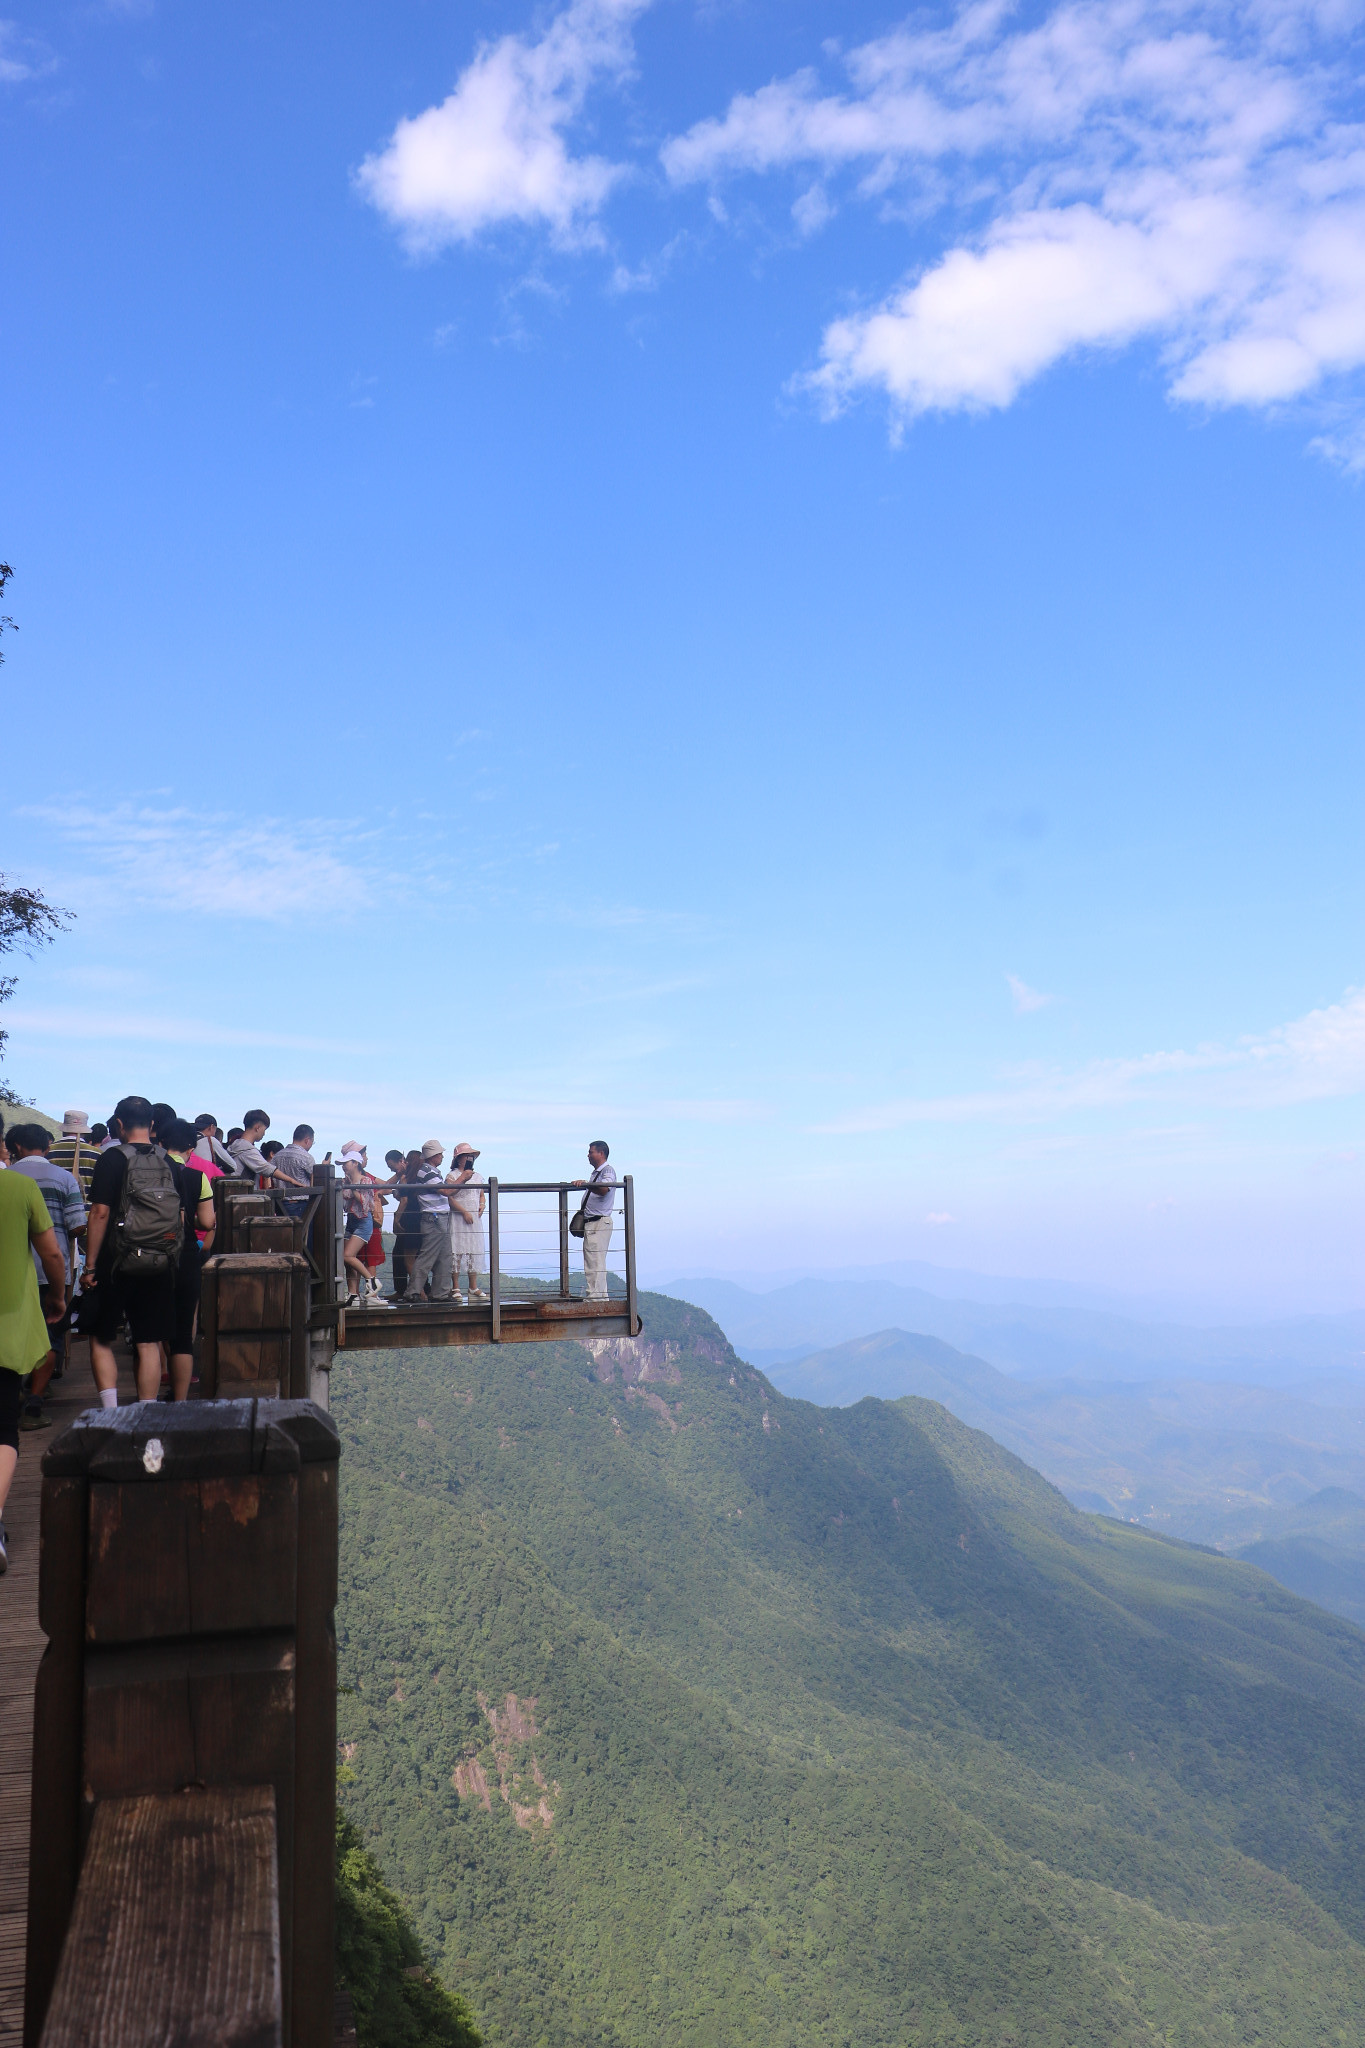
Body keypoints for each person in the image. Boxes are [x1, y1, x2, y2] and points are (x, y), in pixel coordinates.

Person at [83, 1095, 187, 1406]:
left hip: (115, 1260)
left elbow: (100, 1211)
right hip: (159, 1259)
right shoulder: (169, 1162)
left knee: (101, 1336)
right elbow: (180, 1216)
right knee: (149, 1340)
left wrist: (90, 1266)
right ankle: (147, 1409)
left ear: (118, 1124)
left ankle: (111, 1410)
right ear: (153, 1125)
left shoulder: (112, 1159)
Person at [0, 1163, 67, 1569]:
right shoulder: (21, 1188)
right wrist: (58, 1297)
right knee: (4, 1427)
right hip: (6, 1327)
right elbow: (51, 1253)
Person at [7, 1124, 85, 1428]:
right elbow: (78, 1227)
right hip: (53, 1270)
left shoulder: (7, 1179)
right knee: (49, 1336)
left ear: (14, 1147)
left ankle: (12, 1392)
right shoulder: (65, 1178)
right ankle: (35, 1404)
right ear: (48, 1147)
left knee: (12, 1334)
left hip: (13, 1269)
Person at [162, 1119, 217, 1399]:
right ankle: (179, 1399)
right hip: (184, 1255)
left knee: (152, 1332)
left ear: (161, 1143)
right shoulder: (197, 1177)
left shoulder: (150, 1172)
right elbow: (207, 1222)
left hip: (150, 1256)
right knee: (184, 1332)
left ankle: (146, 1397)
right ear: (191, 1148)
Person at [340, 1145, 390, 1309]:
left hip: (363, 1222)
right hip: (352, 1220)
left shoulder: (366, 1180)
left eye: (346, 1163)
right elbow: (345, 1202)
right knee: (347, 1260)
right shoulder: (346, 1180)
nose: (343, 1166)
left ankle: (372, 1281)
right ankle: (353, 1294)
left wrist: (353, 1189)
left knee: (348, 1255)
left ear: (355, 1163)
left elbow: (366, 1202)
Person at [405, 1141, 455, 1302]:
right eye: (440, 1154)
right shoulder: (426, 1171)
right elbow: (446, 1191)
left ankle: (440, 1292)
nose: (442, 1156)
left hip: (440, 1217)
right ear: (433, 1156)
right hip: (433, 1218)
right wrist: (464, 1177)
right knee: (428, 1256)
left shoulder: (431, 1171)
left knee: (444, 1256)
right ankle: (413, 1291)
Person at [572, 1140, 617, 1301]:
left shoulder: (607, 1171)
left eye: (591, 1152)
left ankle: (595, 1298)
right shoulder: (598, 1173)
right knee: (595, 1260)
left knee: (594, 1261)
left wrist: (586, 1184)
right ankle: (600, 1296)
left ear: (601, 1153)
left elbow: (605, 1189)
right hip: (595, 1223)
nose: (588, 1155)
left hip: (597, 1222)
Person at [447, 1142, 487, 1305]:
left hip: (474, 1218)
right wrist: (463, 1212)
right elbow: (449, 1197)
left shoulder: (478, 1176)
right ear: (458, 1159)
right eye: (466, 1156)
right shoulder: (453, 1176)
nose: (469, 1159)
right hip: (458, 1216)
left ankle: (473, 1287)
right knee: (456, 1250)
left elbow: (481, 1195)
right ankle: (455, 1287)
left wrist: (482, 1206)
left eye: (470, 1156)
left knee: (473, 1250)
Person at [390, 1151, 424, 1298]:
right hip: (420, 1218)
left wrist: (396, 1219)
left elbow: (404, 1201)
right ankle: (419, 1290)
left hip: (408, 1219)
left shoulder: (406, 1179)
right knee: (414, 1256)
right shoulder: (420, 1179)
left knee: (407, 1258)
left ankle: (421, 1293)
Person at [48, 1111, 100, 1197]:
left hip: (56, 1209)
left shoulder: (48, 1151)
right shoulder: (97, 1154)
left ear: (63, 1129)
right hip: (87, 1209)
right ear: (85, 1132)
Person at [271, 1125, 318, 1216]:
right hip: (301, 1204)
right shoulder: (306, 1157)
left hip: (280, 1203)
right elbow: (314, 1179)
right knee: (304, 1229)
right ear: (307, 1140)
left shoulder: (277, 1156)